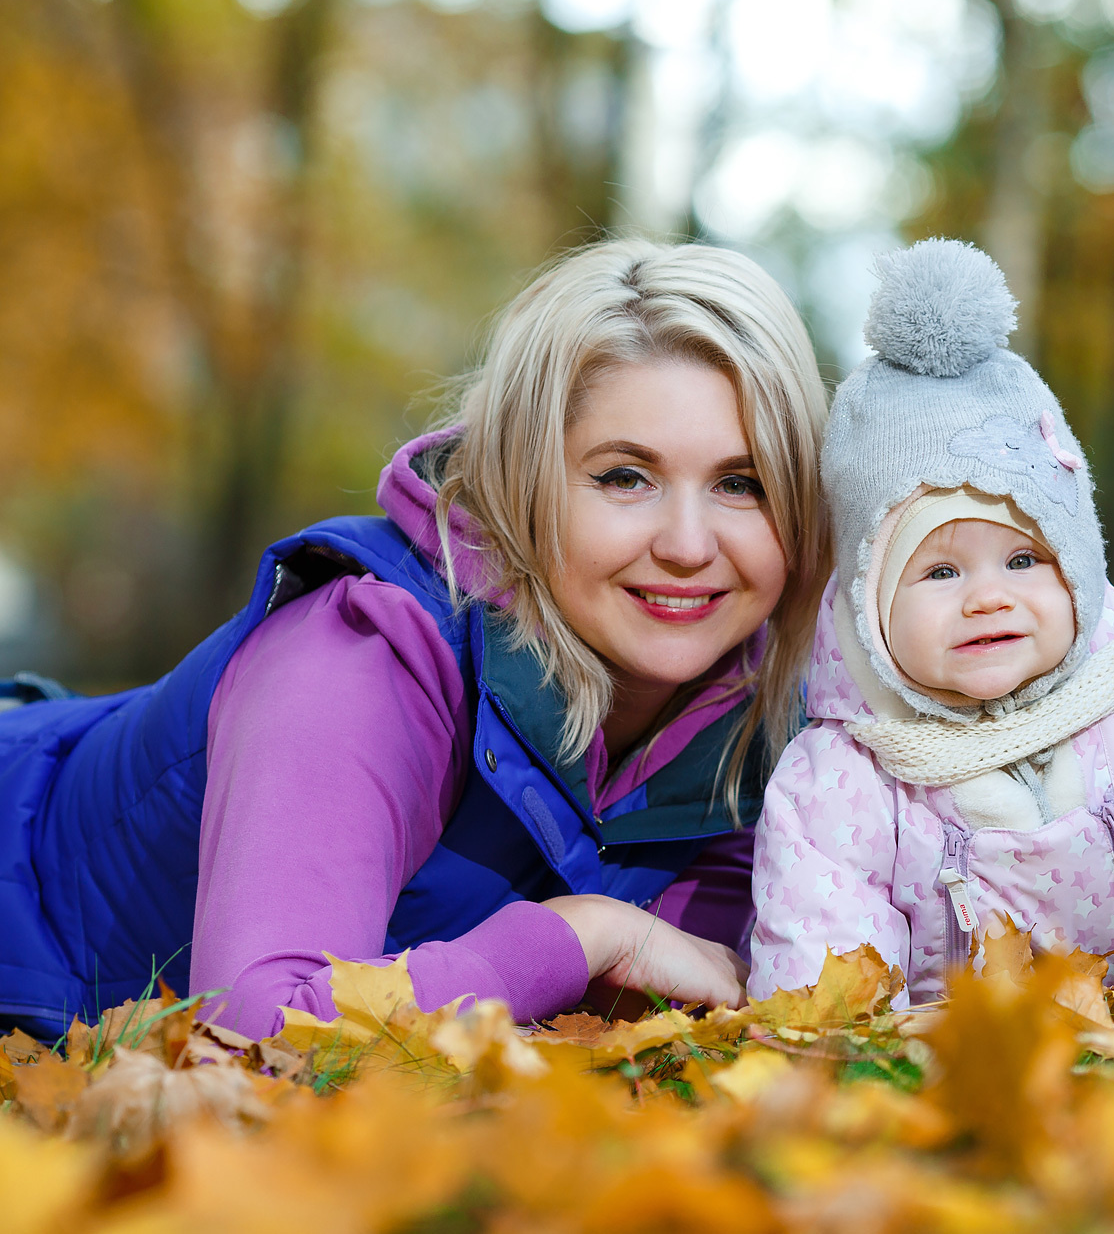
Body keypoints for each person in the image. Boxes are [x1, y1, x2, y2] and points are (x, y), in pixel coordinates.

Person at [0, 239, 830, 1039]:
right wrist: (582, 936)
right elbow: (260, 1026)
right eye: (625, 476)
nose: (687, 544)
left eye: (740, 483)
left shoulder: (759, 726)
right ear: (523, 480)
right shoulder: (360, 656)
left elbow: (687, 1002)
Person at [748, 240, 1114, 1002]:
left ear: (1077, 566)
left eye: (1023, 561)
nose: (989, 597)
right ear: (868, 605)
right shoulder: (838, 787)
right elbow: (823, 1001)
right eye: (941, 571)